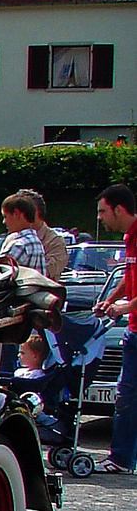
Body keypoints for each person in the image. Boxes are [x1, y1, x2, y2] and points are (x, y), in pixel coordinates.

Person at [91, 183, 137, 473]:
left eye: (103, 211)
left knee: (128, 394)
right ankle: (121, 457)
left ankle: (121, 458)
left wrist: (125, 307)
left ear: (119, 209)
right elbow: (130, 278)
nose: (99, 218)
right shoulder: (129, 238)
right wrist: (110, 299)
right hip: (134, 330)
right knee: (127, 395)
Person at [19, 189, 68, 281]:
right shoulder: (15, 238)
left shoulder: (55, 241)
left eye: (22, 211)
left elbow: (46, 272)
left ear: (35, 211)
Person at [0, 192, 47, 275]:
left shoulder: (19, 245)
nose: (4, 222)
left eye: (5, 216)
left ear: (16, 214)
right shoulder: (37, 242)